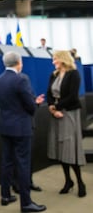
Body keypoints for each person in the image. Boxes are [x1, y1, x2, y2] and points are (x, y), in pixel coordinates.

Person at [0, 51, 46, 212]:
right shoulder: (21, 79)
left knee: (7, 162)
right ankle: (26, 203)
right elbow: (29, 106)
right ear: (19, 62)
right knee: (23, 164)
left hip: (5, 127)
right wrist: (35, 103)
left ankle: (5, 195)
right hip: (22, 129)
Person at [46, 50, 86, 198]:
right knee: (60, 148)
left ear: (62, 59)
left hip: (69, 113)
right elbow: (49, 94)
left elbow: (72, 96)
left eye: (55, 59)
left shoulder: (74, 74)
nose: (53, 61)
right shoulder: (54, 75)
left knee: (70, 148)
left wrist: (56, 107)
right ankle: (68, 181)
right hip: (56, 114)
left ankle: (80, 182)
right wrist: (52, 107)